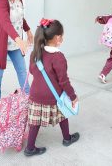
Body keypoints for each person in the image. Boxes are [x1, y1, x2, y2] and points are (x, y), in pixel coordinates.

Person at [24, 19, 79, 157]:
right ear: (58, 38)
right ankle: (67, 138)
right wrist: (73, 96)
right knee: (63, 113)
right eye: (62, 35)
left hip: (35, 94)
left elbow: (32, 71)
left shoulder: (35, 52)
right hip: (53, 97)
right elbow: (64, 82)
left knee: (34, 122)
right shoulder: (58, 57)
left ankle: (29, 148)